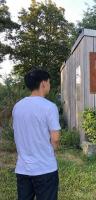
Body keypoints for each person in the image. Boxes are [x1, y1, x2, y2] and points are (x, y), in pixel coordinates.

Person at [12, 69, 61, 200]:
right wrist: (54, 150)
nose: (50, 86)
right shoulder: (50, 107)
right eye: (49, 82)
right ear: (43, 83)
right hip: (45, 169)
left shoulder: (17, 106)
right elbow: (55, 139)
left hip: (22, 169)